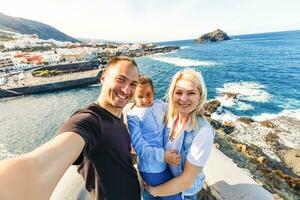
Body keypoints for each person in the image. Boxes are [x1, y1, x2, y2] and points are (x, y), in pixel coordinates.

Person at [0, 56, 141, 200]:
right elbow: (37, 168)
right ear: (103, 78)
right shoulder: (90, 120)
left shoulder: (119, 117)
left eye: (133, 84)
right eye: (120, 80)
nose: (126, 90)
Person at [147, 69, 215, 200]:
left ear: (200, 96)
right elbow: (143, 100)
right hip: (161, 180)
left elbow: (186, 181)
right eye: (179, 92)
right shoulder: (168, 115)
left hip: (180, 194)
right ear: (172, 94)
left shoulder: (203, 132)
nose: (183, 99)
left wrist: (153, 191)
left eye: (191, 93)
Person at [126, 75, 182, 200]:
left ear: (154, 93)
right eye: (140, 96)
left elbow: (177, 107)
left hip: (164, 165)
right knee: (175, 197)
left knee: (156, 195)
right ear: (133, 97)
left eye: (148, 94)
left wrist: (197, 108)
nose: (145, 100)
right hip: (151, 169)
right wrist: (163, 156)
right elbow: (139, 147)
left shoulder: (159, 105)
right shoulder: (133, 116)